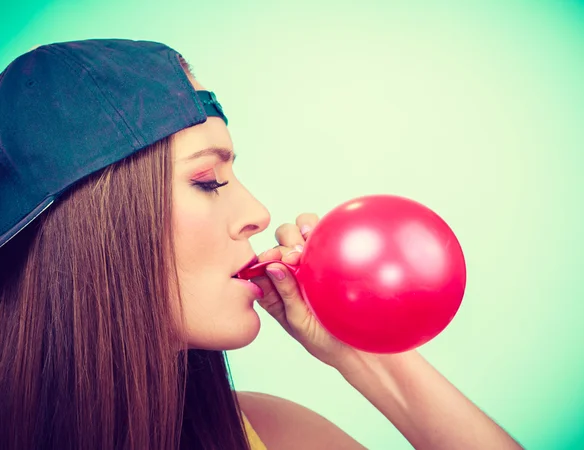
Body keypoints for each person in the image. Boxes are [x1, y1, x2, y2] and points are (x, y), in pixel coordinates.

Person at [0, 39, 523, 450]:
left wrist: (364, 349)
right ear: (88, 224)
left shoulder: (266, 433)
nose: (258, 214)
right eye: (207, 180)